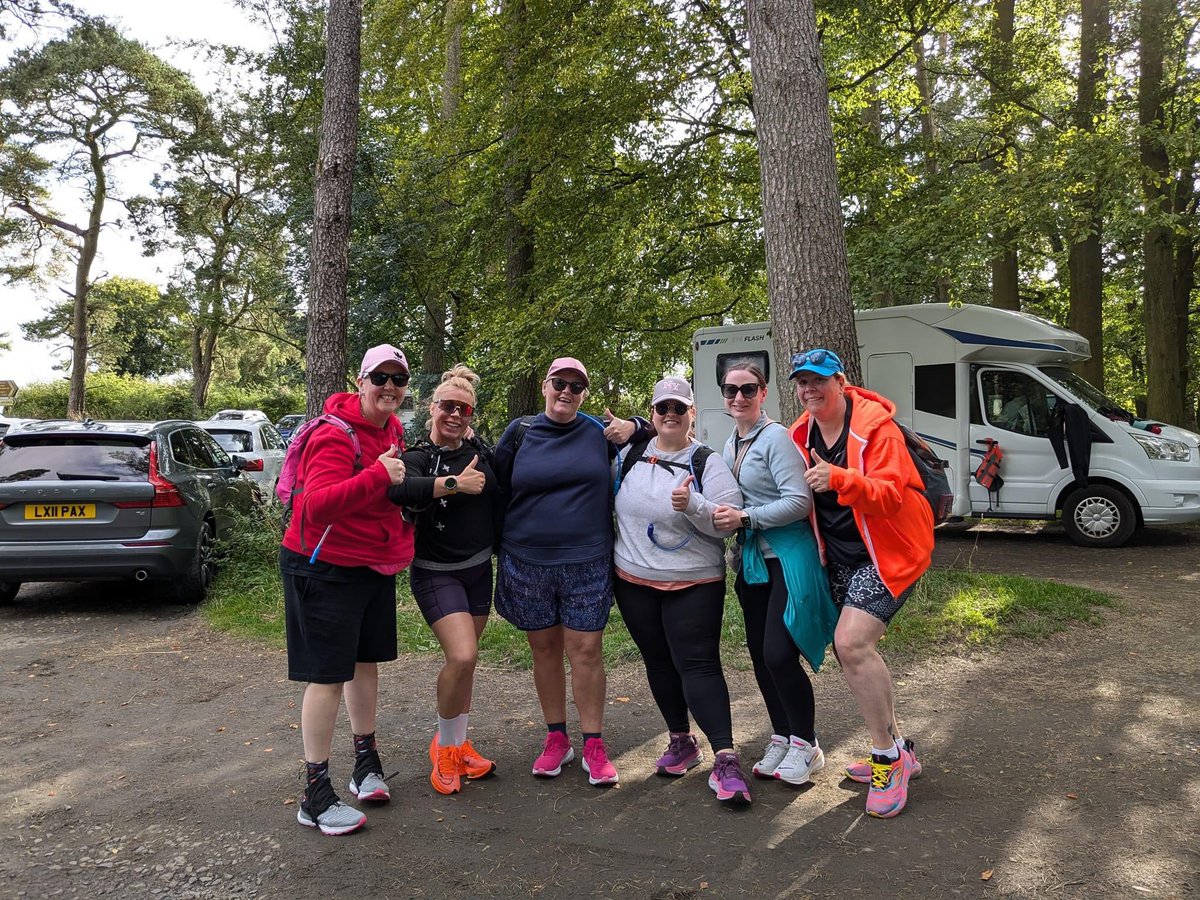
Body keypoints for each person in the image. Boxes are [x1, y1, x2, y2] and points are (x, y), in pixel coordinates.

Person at [788, 347, 934, 819]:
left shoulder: (875, 427)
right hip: (842, 558)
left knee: (851, 644)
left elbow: (892, 497)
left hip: (892, 552)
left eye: (819, 380)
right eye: (802, 381)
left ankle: (887, 759)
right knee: (856, 651)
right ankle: (897, 748)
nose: (810, 389)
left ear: (841, 381)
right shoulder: (799, 431)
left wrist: (841, 479)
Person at [280, 343, 413, 836]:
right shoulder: (334, 436)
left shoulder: (391, 429)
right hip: (324, 567)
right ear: (361, 380)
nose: (389, 388)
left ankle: (365, 764)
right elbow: (314, 506)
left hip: (370, 565)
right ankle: (314, 795)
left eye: (398, 379)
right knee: (327, 676)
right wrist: (378, 475)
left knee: (364, 664)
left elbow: (387, 493)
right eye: (380, 377)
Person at [491, 357, 640, 787]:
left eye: (577, 386)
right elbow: (497, 490)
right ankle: (557, 738)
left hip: (588, 561)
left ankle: (594, 743)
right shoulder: (519, 433)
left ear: (584, 393)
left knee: (586, 651)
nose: (567, 392)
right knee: (544, 650)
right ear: (545, 385)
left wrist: (633, 423)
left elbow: (651, 438)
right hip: (527, 560)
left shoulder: (599, 433)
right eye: (560, 383)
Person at [612, 377, 751, 804]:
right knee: (658, 661)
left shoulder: (706, 462)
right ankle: (681, 741)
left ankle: (725, 758)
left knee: (698, 665)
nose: (670, 415)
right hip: (633, 580)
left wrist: (694, 505)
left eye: (679, 408)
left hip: (694, 582)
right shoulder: (628, 455)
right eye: (662, 409)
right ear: (652, 415)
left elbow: (729, 520)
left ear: (692, 413)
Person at [711, 362, 831, 788]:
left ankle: (807, 744)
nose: (738, 398)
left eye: (748, 390)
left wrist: (745, 518)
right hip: (752, 561)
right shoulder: (730, 444)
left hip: (787, 556)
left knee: (780, 653)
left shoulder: (775, 437)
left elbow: (799, 502)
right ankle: (782, 735)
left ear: (763, 393)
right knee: (762, 656)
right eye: (730, 391)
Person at [387, 365, 501, 796]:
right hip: (435, 572)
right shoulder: (417, 455)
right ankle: (445, 749)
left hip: (477, 569)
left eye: (464, 409)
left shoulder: (480, 450)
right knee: (462, 655)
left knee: (467, 664)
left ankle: (457, 742)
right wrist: (454, 484)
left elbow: (501, 486)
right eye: (448, 407)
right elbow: (399, 488)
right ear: (432, 408)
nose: (455, 415)